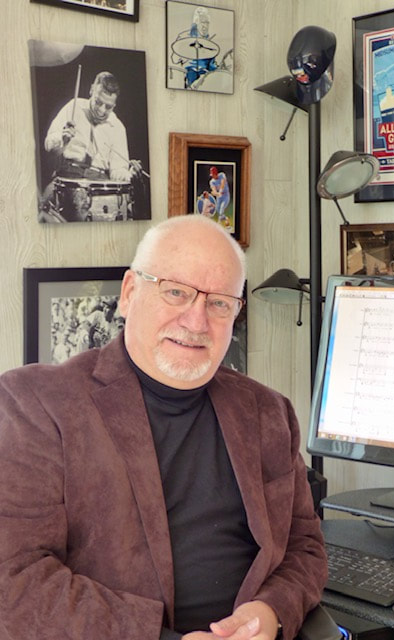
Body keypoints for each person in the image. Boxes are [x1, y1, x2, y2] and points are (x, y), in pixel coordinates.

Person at [0, 215, 328, 640]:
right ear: (129, 293)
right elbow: (14, 577)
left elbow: (305, 545)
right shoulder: (36, 403)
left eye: (219, 303)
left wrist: (272, 613)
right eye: (176, 292)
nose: (196, 322)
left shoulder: (268, 412)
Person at [41, 71, 144, 221]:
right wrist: (62, 139)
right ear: (91, 90)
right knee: (41, 212)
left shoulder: (118, 127)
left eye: (108, 107)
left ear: (115, 104)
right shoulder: (73, 107)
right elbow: (48, 146)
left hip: (100, 185)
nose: (102, 110)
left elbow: (117, 171)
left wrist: (130, 174)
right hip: (66, 177)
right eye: (98, 102)